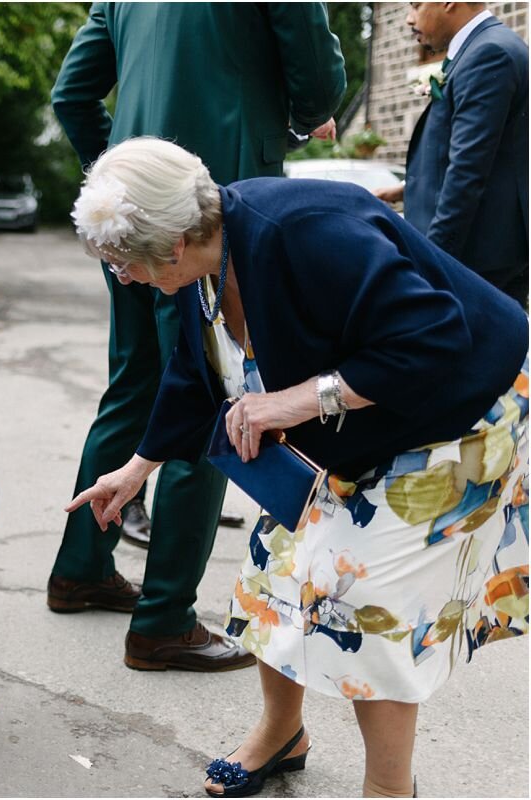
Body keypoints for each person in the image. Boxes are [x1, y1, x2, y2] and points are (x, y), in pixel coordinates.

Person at [67, 137, 528, 798]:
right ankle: (282, 732)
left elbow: (434, 338)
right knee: (274, 571)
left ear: (170, 244)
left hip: (462, 406)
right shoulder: (198, 265)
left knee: (365, 599)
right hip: (360, 422)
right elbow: (192, 372)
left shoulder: (307, 232)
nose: (119, 275)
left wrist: (293, 401)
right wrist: (136, 468)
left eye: (119, 259)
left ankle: (389, 788)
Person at [47, 2, 346, 675]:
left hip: (125, 211)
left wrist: (119, 181)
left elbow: (72, 95)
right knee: (210, 389)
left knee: (132, 386)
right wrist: (298, 120)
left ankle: (80, 571)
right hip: (210, 205)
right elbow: (320, 84)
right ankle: (164, 621)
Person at [373, 3, 528, 307]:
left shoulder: (489, 54)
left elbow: (467, 173)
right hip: (479, 258)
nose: (408, 18)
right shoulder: (484, 47)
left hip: (474, 261)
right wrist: (407, 189)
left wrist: (432, 264)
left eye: (416, 5)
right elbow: (485, 156)